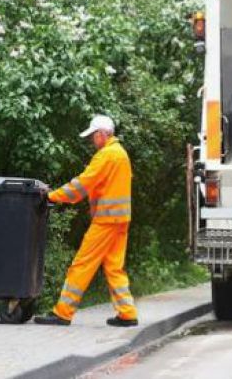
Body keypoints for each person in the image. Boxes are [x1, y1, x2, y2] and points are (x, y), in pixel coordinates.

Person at [35, 115, 138, 327]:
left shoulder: (107, 155)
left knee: (82, 264)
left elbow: (83, 184)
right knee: (114, 267)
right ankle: (127, 313)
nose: (92, 140)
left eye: (93, 136)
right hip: (120, 219)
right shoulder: (120, 154)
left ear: (101, 134)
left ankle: (62, 312)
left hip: (106, 220)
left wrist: (52, 196)